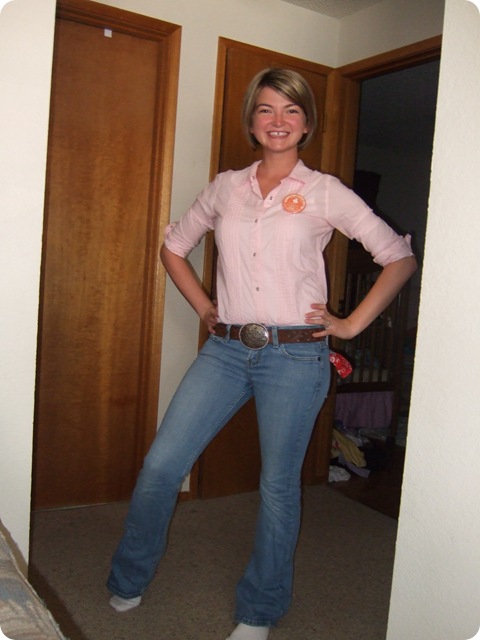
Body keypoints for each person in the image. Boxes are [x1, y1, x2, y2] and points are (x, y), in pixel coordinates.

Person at [107, 68, 417, 640]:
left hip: (295, 357)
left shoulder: (325, 191)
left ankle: (260, 609)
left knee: (277, 486)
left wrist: (350, 324)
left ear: (307, 122)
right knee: (161, 466)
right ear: (252, 121)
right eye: (267, 109)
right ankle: (129, 575)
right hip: (226, 351)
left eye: (291, 110)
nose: (279, 121)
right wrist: (205, 307)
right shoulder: (226, 187)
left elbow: (397, 257)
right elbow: (174, 247)